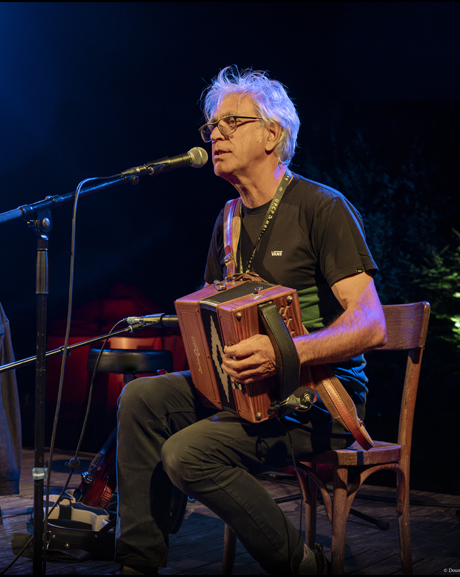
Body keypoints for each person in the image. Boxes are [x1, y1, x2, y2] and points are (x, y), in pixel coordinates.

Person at [114, 66, 387, 575]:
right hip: (242, 387)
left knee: (186, 453)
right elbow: (215, 315)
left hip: (316, 395)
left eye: (230, 123)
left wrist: (284, 353)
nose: (214, 135)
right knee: (141, 397)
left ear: (272, 133)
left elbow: (371, 324)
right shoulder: (228, 220)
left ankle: (303, 564)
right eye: (211, 127)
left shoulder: (321, 207)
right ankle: (137, 563)